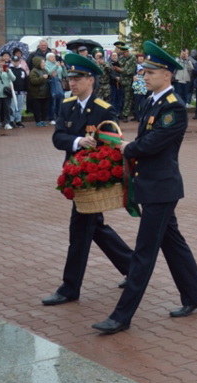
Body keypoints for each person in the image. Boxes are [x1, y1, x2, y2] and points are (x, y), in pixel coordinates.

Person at [91, 41, 197, 334]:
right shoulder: (153, 102)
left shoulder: (174, 108)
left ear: (167, 75)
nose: (144, 75)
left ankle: (121, 317)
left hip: (161, 190)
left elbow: (153, 144)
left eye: (150, 72)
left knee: (144, 254)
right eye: (144, 71)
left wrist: (127, 147)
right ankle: (196, 296)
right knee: (173, 243)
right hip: (154, 187)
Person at [42, 54, 134, 306]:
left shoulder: (103, 109)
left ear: (90, 80)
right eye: (70, 78)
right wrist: (77, 141)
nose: (72, 82)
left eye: (78, 78)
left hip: (93, 180)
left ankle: (70, 288)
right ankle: (133, 267)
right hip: (76, 178)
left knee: (80, 230)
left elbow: (113, 143)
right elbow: (58, 137)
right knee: (95, 228)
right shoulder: (66, 106)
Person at [0, 53, 15, 130]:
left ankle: (7, 123)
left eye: (3, 62)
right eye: (0, 62)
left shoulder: (8, 69)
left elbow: (14, 78)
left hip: (6, 93)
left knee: (7, 109)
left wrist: (8, 72)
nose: (1, 63)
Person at [28, 56, 51, 127]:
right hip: (37, 93)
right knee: (37, 109)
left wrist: (50, 76)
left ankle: (44, 120)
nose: (44, 64)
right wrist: (42, 78)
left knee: (45, 108)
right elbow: (33, 81)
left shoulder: (45, 70)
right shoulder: (33, 71)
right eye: (43, 62)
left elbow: (48, 77)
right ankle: (38, 121)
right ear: (38, 63)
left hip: (45, 93)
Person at [118, 46, 138, 122]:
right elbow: (120, 65)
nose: (123, 54)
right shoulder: (121, 58)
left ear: (127, 51)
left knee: (127, 98)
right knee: (121, 98)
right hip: (121, 80)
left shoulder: (132, 58)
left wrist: (121, 70)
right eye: (122, 53)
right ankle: (122, 113)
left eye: (124, 53)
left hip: (129, 81)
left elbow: (131, 71)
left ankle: (126, 115)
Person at [46, 53, 67, 126]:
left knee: (60, 102)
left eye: (54, 57)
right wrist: (55, 66)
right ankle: (51, 118)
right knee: (53, 102)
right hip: (52, 84)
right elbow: (48, 72)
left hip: (60, 83)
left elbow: (65, 75)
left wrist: (63, 67)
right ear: (48, 58)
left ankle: (59, 117)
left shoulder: (57, 63)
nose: (54, 58)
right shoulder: (46, 64)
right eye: (52, 57)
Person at [9, 54, 27, 128]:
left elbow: (26, 81)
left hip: (21, 91)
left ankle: (18, 120)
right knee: (12, 107)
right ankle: (11, 120)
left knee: (19, 107)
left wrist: (25, 90)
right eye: (14, 61)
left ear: (19, 61)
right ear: (12, 61)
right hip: (13, 92)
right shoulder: (10, 70)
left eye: (17, 61)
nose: (16, 63)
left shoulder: (22, 70)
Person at [132, 54, 149, 121]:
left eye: (142, 70)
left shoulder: (145, 77)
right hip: (137, 93)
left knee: (143, 105)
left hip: (144, 93)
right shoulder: (136, 76)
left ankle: (142, 116)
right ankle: (138, 117)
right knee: (136, 105)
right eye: (139, 70)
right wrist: (138, 88)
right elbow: (133, 85)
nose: (141, 71)